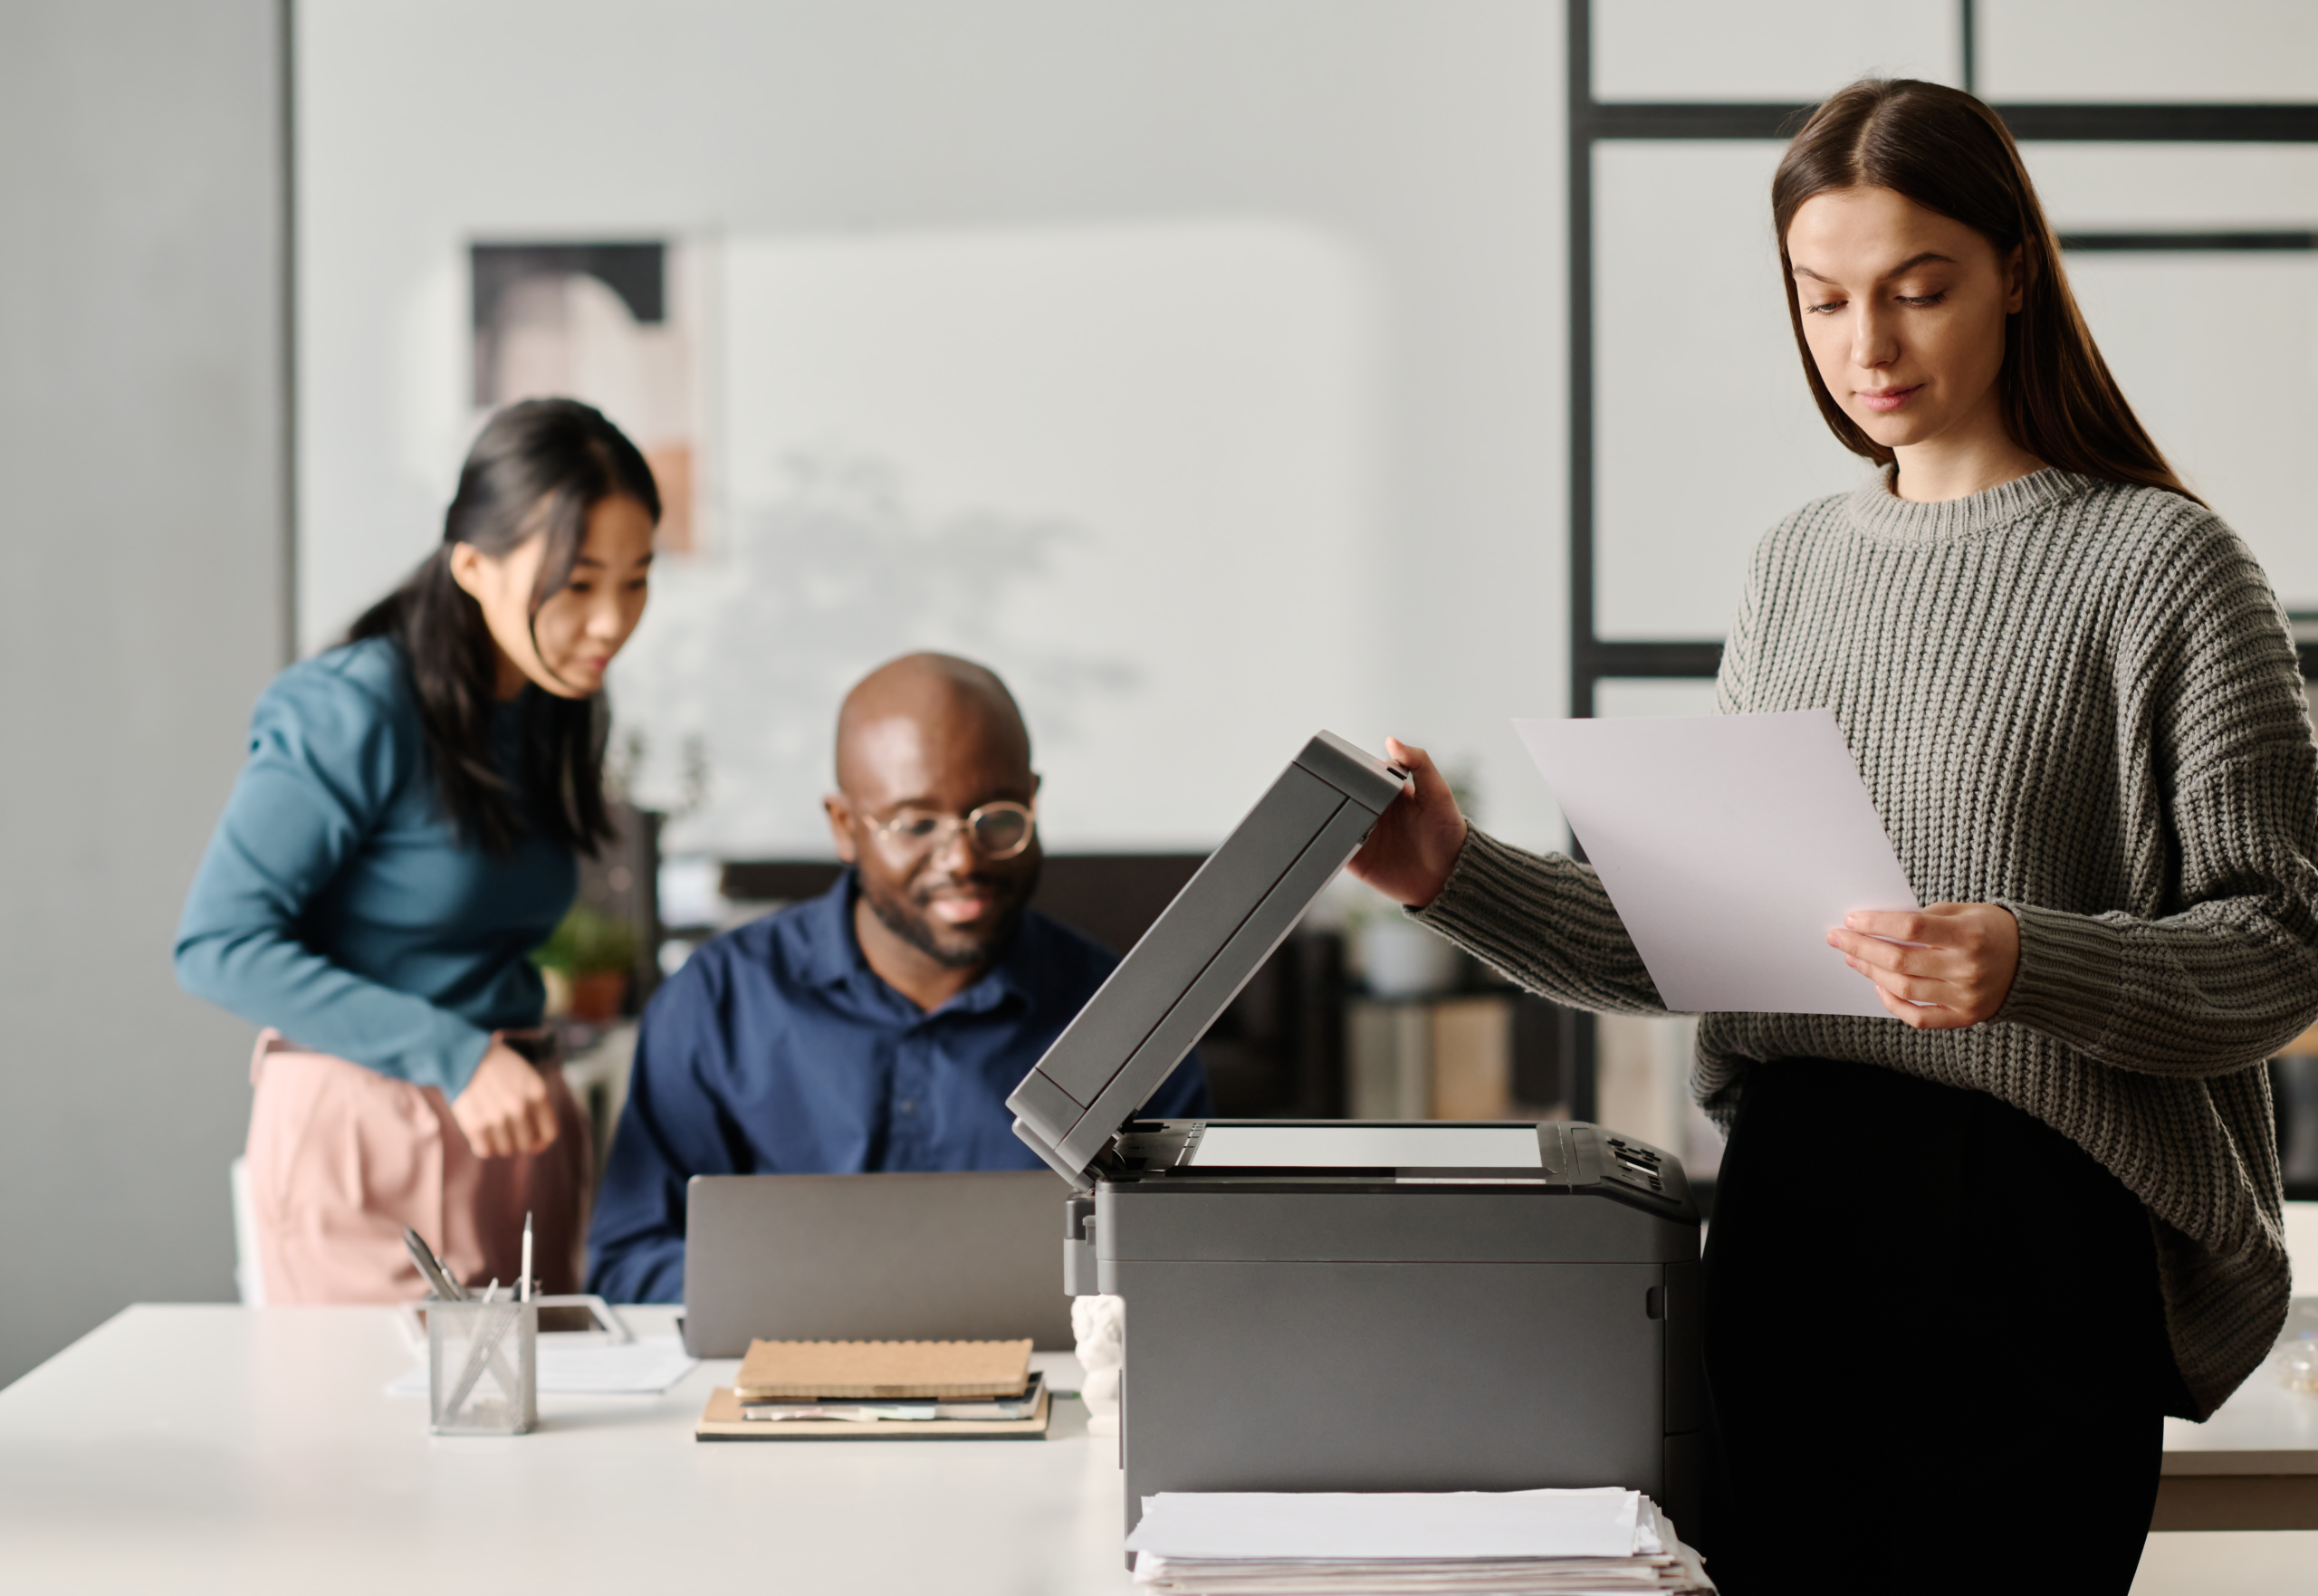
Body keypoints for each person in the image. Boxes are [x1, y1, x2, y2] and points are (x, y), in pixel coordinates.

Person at [1350, 80, 2318, 1594]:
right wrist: (1450, 874)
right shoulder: (1795, 566)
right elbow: (1702, 928)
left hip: (2038, 1240)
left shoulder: (2168, 565)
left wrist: (2027, 961)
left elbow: (2278, 949)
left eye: (1919, 289)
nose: (1867, 344)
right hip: (1796, 1222)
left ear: (2014, 269)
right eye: (1825, 299)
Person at [176, 398, 659, 1302]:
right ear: (473, 565)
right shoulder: (352, 703)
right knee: (365, 1435)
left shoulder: (555, 704)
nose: (610, 621)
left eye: (635, 579)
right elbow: (216, 945)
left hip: (517, 1131)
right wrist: (454, 1054)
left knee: (544, 1436)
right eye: (579, 581)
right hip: (371, 1132)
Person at [586, 652, 1212, 1304]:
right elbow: (627, 1262)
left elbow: (1191, 1259)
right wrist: (796, 1301)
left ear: (1033, 800)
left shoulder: (1128, 1016)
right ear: (843, 826)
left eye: (997, 816)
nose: (963, 859)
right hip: (778, 1379)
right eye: (916, 823)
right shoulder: (716, 1002)